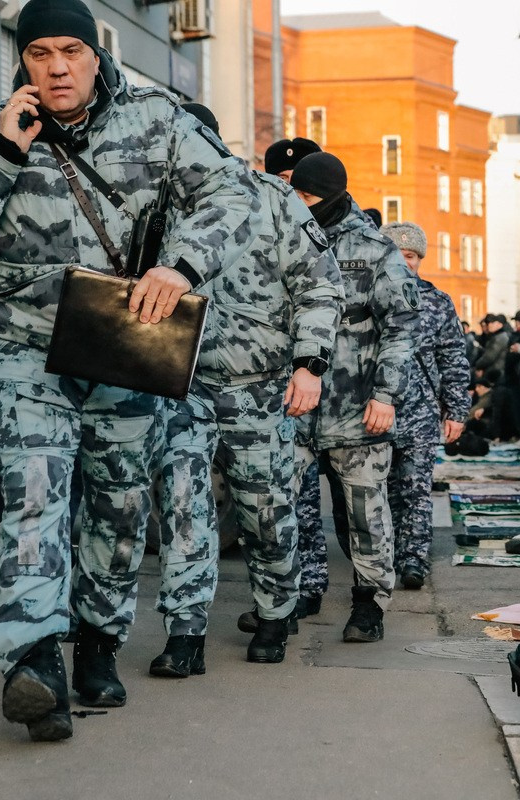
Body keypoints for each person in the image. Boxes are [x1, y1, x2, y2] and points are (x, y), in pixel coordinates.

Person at [0, 0, 259, 741]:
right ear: (21, 60)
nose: (58, 65)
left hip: (124, 349)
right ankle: (34, 663)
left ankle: (98, 644)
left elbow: (232, 194)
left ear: (98, 55)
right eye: (40, 52)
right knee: (31, 499)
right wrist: (3, 152)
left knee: (117, 507)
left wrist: (180, 263)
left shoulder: (158, 121)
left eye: (72, 49)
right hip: (25, 352)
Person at [151, 108, 342, 672]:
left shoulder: (272, 199)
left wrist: (310, 365)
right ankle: (184, 633)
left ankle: (276, 613)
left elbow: (319, 287)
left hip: (256, 386)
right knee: (183, 508)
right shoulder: (155, 199)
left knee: (264, 508)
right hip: (176, 383)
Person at [288, 151, 419, 644]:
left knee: (366, 511)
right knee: (282, 506)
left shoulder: (374, 249)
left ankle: (369, 603)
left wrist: (386, 395)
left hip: (356, 408)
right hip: (293, 408)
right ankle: (287, 596)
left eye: (307, 196)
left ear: (330, 195)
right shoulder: (286, 237)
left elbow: (402, 327)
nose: (299, 204)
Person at [379, 221, 470, 590]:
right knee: (381, 492)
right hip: (376, 411)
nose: (406, 261)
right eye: (398, 253)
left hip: (421, 413)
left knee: (416, 490)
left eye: (412, 255)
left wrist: (457, 410)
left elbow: (454, 358)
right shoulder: (370, 298)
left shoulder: (437, 301)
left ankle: (414, 560)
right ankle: (381, 559)